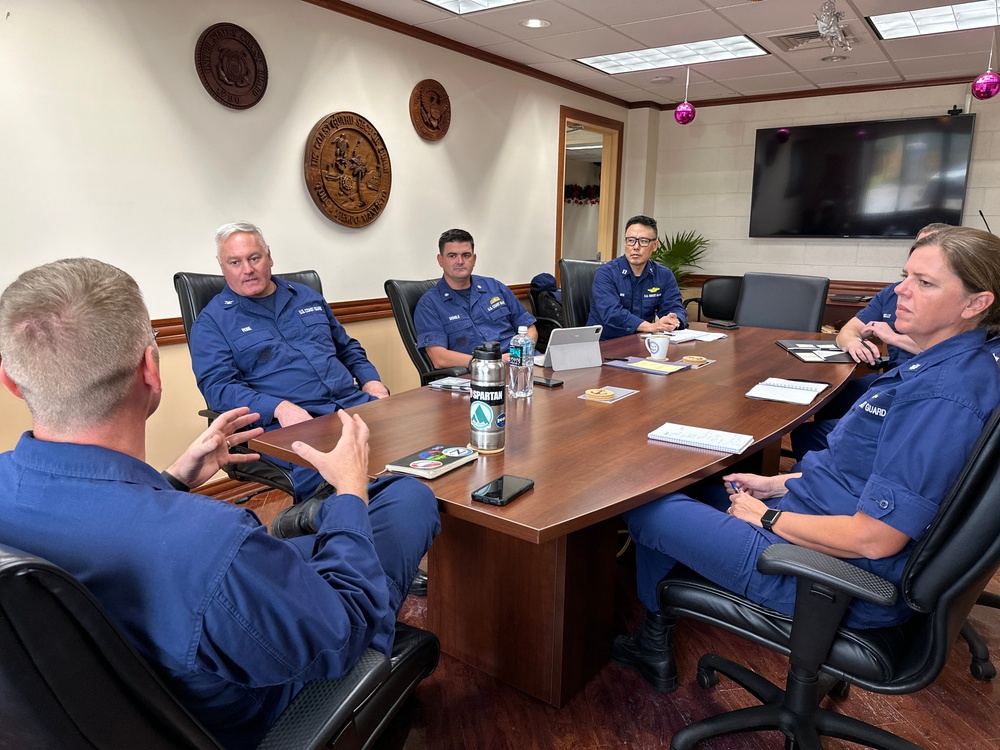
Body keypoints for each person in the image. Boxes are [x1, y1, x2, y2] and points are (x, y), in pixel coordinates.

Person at [0, 258, 440, 749]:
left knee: (330, 528)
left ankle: (318, 525)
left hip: (123, 704)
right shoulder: (211, 537)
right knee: (407, 496)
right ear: (152, 369)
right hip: (261, 707)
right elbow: (342, 633)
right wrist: (349, 490)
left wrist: (172, 480)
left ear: (12, 381)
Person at [612, 226, 1000, 693]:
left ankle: (651, 640)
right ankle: (654, 639)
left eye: (925, 282)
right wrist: (778, 484)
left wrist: (769, 517)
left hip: (829, 574)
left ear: (976, 304)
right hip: (814, 516)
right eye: (905, 275)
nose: (900, 289)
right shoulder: (949, 366)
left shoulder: (942, 397)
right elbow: (858, 469)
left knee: (645, 505)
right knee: (682, 485)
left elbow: (875, 539)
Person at [190, 221, 389, 501]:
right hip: (293, 425)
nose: (247, 269)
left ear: (269, 256)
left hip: (352, 406)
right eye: (235, 262)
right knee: (350, 488)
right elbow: (218, 388)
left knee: (418, 451)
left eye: (254, 258)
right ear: (222, 267)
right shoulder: (212, 323)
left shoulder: (306, 296)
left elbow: (347, 347)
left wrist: (371, 380)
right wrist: (279, 407)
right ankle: (316, 526)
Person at [790, 222, 950, 458]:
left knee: (818, 432)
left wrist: (893, 337)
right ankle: (831, 460)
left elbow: (950, 350)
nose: (906, 289)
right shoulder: (893, 292)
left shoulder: (949, 302)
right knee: (836, 395)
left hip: (921, 388)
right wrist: (854, 342)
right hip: (891, 376)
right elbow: (848, 330)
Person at [414, 228, 537, 367]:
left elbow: (529, 328)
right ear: (440, 260)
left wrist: (517, 356)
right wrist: (488, 362)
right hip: (478, 374)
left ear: (474, 259)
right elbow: (439, 358)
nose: (460, 261)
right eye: (452, 256)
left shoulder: (494, 287)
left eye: (466, 255)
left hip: (520, 364)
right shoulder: (429, 304)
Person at [586, 215, 688, 340]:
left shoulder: (664, 275)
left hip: (640, 342)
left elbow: (674, 306)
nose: (635, 247)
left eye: (643, 241)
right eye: (631, 240)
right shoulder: (606, 273)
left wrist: (673, 320)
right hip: (604, 343)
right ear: (625, 243)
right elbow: (612, 314)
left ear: (655, 245)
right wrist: (652, 327)